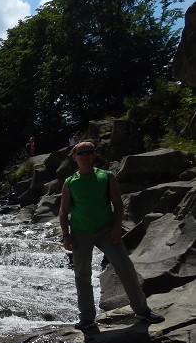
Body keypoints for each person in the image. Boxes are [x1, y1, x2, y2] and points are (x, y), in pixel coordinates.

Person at [58, 141, 164, 330]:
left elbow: (118, 204)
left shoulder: (106, 177)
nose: (84, 155)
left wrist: (116, 229)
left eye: (88, 152)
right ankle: (87, 319)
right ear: (74, 158)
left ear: (94, 155)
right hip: (80, 232)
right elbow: (63, 211)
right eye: (80, 153)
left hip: (106, 230)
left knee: (125, 267)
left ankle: (142, 310)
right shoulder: (70, 182)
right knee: (82, 275)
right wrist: (66, 236)